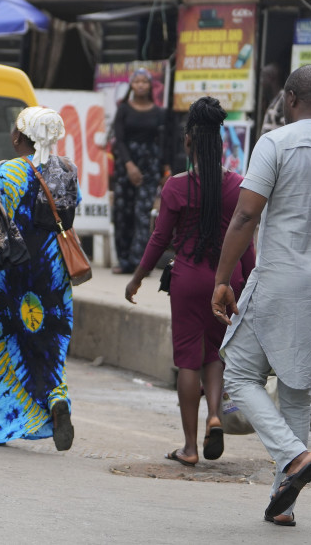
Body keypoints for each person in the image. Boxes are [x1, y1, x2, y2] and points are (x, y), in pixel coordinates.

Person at [211, 65, 311, 526]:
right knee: (297, 391)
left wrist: (223, 279)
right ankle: (286, 505)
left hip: (279, 280)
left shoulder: (275, 143)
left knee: (239, 375)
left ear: (291, 98)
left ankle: (295, 456)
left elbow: (245, 217)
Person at [124, 97, 255, 466]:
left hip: (188, 279)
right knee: (215, 354)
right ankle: (215, 415)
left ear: (187, 142)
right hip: (227, 281)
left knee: (188, 361)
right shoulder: (238, 187)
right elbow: (245, 241)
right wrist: (250, 283)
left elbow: (159, 239)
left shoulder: (176, 187)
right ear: (221, 142)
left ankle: (190, 447)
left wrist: (137, 279)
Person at [0, 107, 79, 449]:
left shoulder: (0, 174)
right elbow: (66, 219)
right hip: (51, 273)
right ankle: (56, 398)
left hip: (5, 273)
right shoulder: (67, 171)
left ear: (17, 137)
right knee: (47, 341)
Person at [111, 68, 172, 274]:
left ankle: (139, 262)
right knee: (123, 212)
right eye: (136, 81)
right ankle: (124, 260)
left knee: (142, 214)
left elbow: (163, 141)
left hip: (150, 165)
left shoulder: (158, 112)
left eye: (144, 82)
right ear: (131, 85)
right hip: (126, 164)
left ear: (150, 86)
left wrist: (165, 169)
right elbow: (118, 140)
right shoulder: (124, 109)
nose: (140, 85)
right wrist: (129, 165)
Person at [259, 63, 286, 137]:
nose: (261, 82)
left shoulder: (283, 99)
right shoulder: (275, 99)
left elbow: (286, 126)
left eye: (263, 77)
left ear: (271, 77)